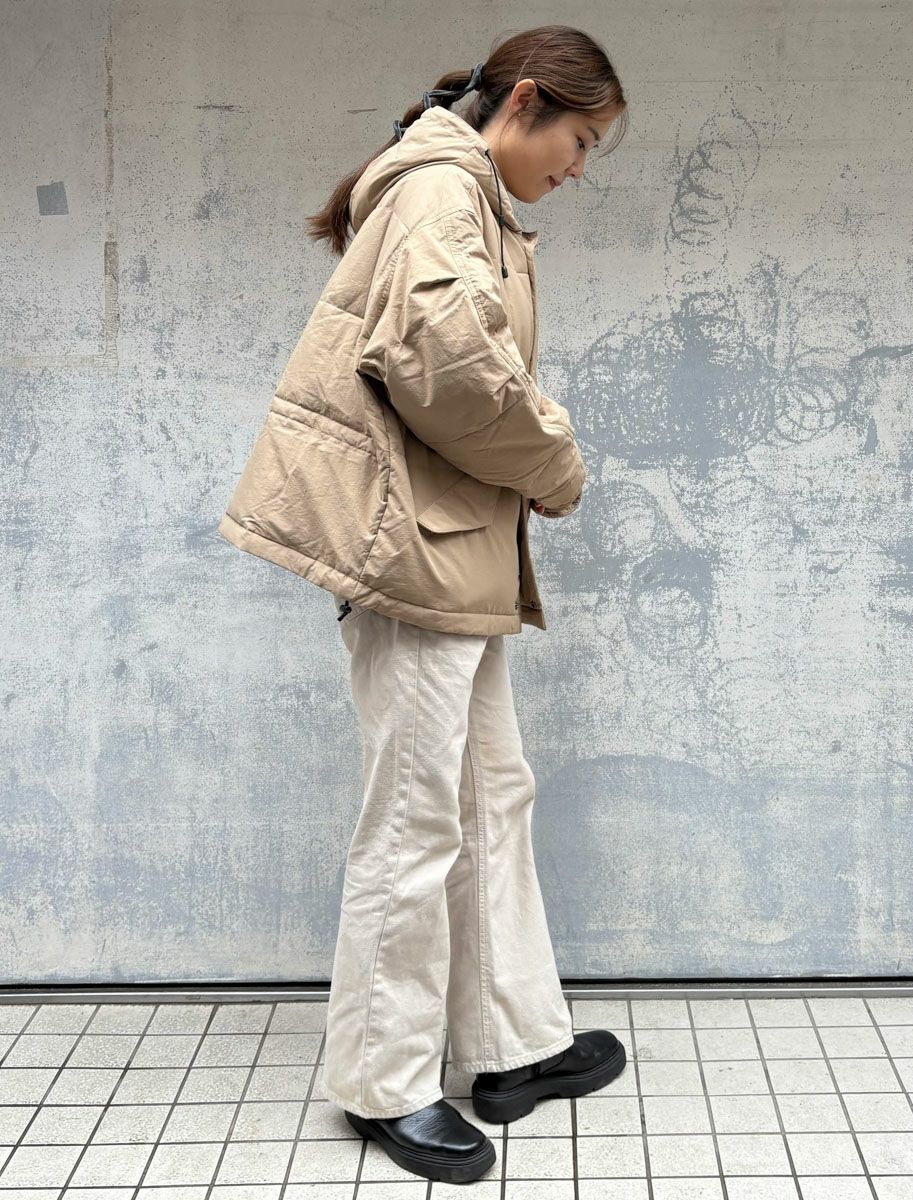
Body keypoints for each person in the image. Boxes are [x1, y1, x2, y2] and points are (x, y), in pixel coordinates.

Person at [218, 24, 629, 1186]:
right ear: (527, 102)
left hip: (450, 549)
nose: (579, 168)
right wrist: (557, 463)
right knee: (412, 823)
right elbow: (449, 370)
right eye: (581, 141)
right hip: (411, 554)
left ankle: (507, 1047)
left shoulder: (463, 193)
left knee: (490, 795)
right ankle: (385, 1084)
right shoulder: (441, 190)